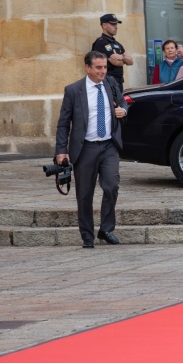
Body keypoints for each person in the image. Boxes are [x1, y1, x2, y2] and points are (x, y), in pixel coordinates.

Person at [55, 51, 127, 248]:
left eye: (104, 67)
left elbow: (122, 103)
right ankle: (87, 236)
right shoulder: (73, 90)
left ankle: (105, 229)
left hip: (109, 145)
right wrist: (61, 150)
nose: (103, 71)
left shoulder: (111, 84)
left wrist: (123, 110)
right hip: (85, 148)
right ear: (88, 68)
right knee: (84, 194)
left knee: (111, 185)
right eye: (98, 68)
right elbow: (63, 123)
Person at [91, 14, 133, 93]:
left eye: (116, 24)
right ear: (104, 25)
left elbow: (131, 61)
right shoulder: (101, 42)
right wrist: (124, 58)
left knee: (119, 104)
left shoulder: (117, 44)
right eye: (113, 24)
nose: (116, 27)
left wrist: (121, 57)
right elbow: (116, 62)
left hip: (118, 82)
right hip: (107, 82)